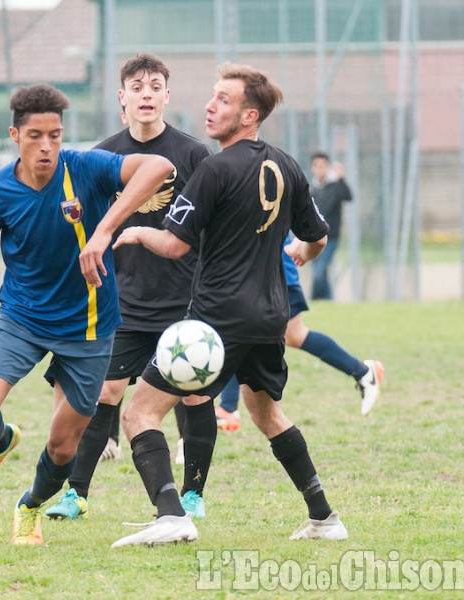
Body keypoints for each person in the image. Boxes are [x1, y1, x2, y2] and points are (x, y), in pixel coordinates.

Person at [109, 62, 348, 547]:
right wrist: (302, 252)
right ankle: (325, 517)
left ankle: (172, 515)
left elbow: (174, 245)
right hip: (268, 319)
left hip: (216, 321)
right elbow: (317, 236)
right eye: (212, 96)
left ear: (249, 115)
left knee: (138, 414)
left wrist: (134, 230)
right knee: (266, 415)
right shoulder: (286, 164)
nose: (209, 105)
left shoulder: (215, 169)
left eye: (223, 99)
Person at [0, 83, 173, 545]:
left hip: (89, 329)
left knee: (63, 447)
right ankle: (0, 441)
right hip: (21, 318)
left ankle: (30, 506)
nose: (47, 146)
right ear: (14, 134)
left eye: (55, 135)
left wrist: (103, 229)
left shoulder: (86, 168)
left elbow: (160, 166)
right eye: (36, 136)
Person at [43, 54, 214, 523]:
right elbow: (83, 220)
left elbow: (211, 225)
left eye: (154, 86)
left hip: (185, 299)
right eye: (136, 87)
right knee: (105, 393)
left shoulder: (194, 155)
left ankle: (193, 494)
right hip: (126, 301)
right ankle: (75, 493)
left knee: (195, 395)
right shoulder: (104, 157)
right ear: (122, 97)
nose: (145, 94)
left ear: (166, 96)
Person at [216, 233, 384, 423]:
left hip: (275, 275)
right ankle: (362, 372)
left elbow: (313, 222)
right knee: (284, 334)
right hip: (261, 274)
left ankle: (228, 408)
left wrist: (304, 239)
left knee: (240, 330)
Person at [309, 152, 353, 300]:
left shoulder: (335, 186)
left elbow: (348, 196)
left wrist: (341, 178)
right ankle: (328, 301)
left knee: (319, 273)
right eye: (317, 166)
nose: (320, 169)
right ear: (312, 168)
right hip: (312, 238)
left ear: (327, 167)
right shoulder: (311, 189)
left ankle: (313, 301)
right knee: (320, 273)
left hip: (331, 237)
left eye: (323, 166)